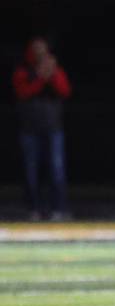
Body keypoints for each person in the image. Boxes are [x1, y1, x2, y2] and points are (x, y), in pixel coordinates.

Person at [13, 37, 72, 220]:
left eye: (42, 49)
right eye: (36, 49)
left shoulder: (55, 70)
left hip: (53, 128)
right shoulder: (23, 71)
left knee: (57, 169)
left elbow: (65, 91)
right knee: (32, 170)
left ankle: (59, 209)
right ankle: (34, 209)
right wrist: (40, 78)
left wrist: (52, 75)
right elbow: (23, 93)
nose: (39, 53)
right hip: (30, 129)